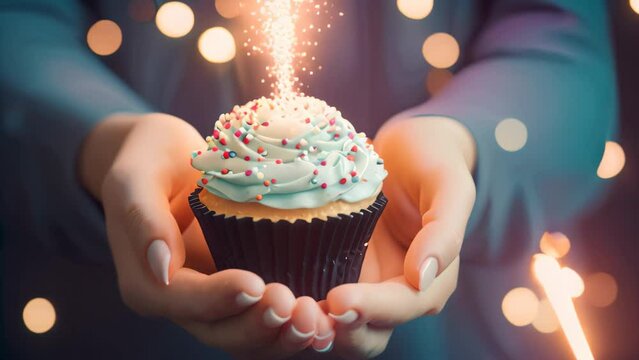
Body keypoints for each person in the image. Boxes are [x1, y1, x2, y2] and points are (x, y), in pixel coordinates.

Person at [0, 0, 617, 359]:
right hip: (98, 319)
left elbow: (561, 36)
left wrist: (465, 145)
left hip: (463, 324)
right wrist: (98, 140)